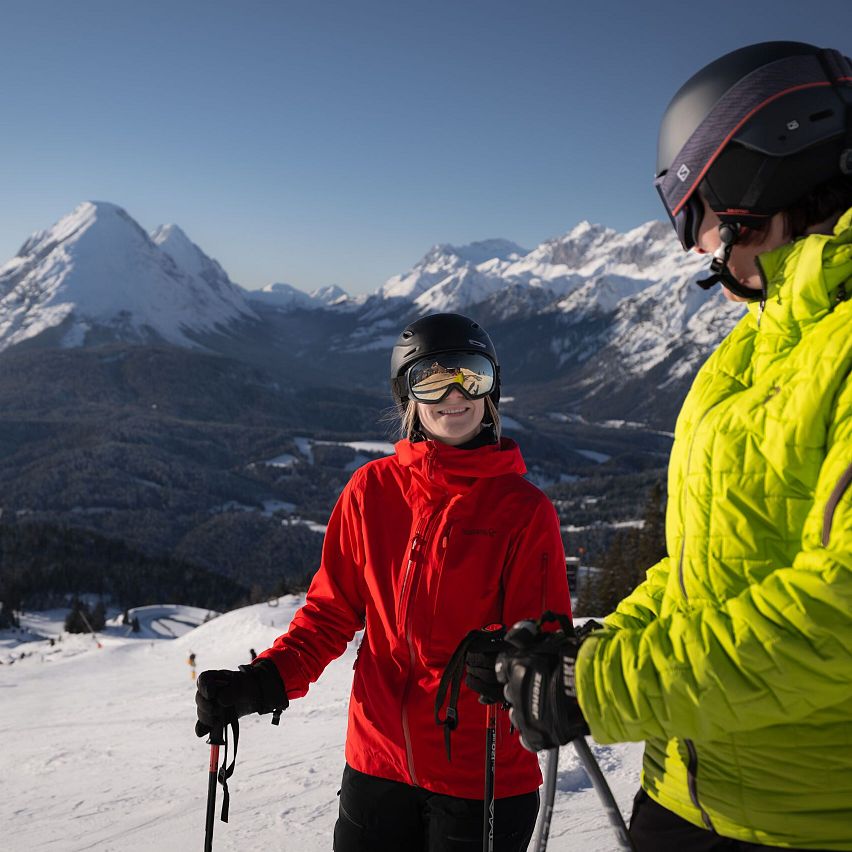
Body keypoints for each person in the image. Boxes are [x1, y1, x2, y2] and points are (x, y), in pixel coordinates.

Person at [492, 41, 852, 852]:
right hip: (685, 795)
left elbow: (839, 612)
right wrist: (592, 649)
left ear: (764, 181)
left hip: (802, 821)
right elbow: (708, 569)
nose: (697, 247)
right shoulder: (747, 357)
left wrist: (600, 688)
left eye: (700, 215)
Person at [194, 312, 572, 851]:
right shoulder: (371, 491)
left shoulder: (523, 512)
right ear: (407, 397)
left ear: (492, 391)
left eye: (471, 374)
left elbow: (547, 642)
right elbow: (327, 616)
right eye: (432, 379)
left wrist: (510, 661)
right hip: (376, 769)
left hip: (481, 778)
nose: (454, 394)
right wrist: (261, 682)